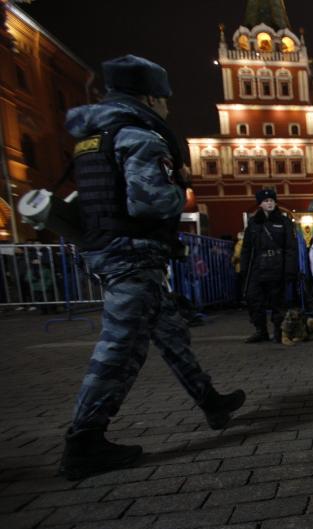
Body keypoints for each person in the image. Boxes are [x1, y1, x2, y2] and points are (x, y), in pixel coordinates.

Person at [59, 55, 245, 480]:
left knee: (169, 330)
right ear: (148, 96)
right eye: (163, 100)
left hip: (111, 247)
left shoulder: (93, 135)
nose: (167, 108)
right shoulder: (139, 135)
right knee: (121, 345)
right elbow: (152, 200)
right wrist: (180, 184)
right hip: (132, 253)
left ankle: (209, 399)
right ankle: (84, 438)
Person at [239, 188, 298, 342]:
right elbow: (246, 248)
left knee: (277, 301)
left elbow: (290, 248)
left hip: (277, 265)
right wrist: (244, 269)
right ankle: (261, 331)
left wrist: (290, 269)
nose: (269, 203)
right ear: (260, 204)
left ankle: (279, 332)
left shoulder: (283, 221)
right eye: (266, 201)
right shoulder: (253, 223)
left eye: (271, 200)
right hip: (257, 267)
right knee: (254, 300)